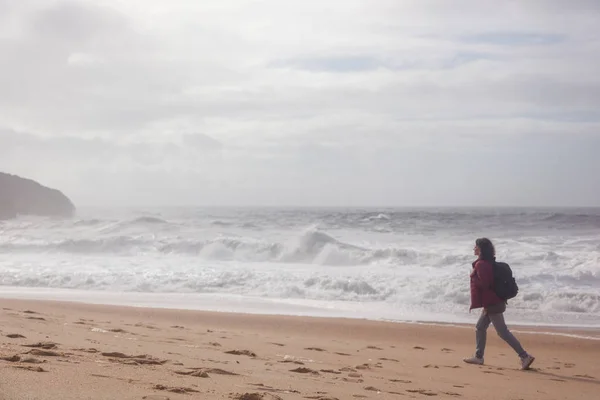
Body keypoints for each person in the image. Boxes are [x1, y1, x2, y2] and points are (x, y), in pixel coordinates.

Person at [463, 238, 535, 370]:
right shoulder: (489, 262)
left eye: (476, 246)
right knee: (480, 327)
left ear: (480, 249)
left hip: (493, 304)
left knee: (502, 332)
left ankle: (524, 356)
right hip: (493, 302)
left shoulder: (481, 264)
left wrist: (473, 279)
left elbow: (485, 284)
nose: (474, 248)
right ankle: (479, 357)